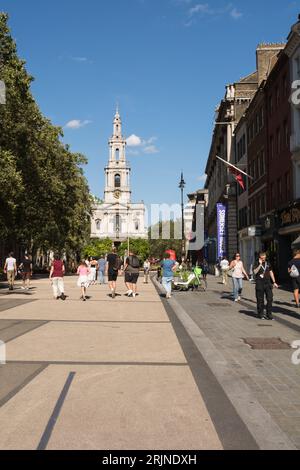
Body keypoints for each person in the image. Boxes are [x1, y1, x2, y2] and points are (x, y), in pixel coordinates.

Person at [253, 252, 279, 320]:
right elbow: (255, 272)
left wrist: (274, 282)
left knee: (270, 299)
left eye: (264, 258)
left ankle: (269, 314)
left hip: (268, 283)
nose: (263, 259)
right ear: (259, 258)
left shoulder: (268, 263)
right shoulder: (256, 263)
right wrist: (260, 264)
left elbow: (271, 272)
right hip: (259, 283)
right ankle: (260, 314)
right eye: (262, 258)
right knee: (260, 300)